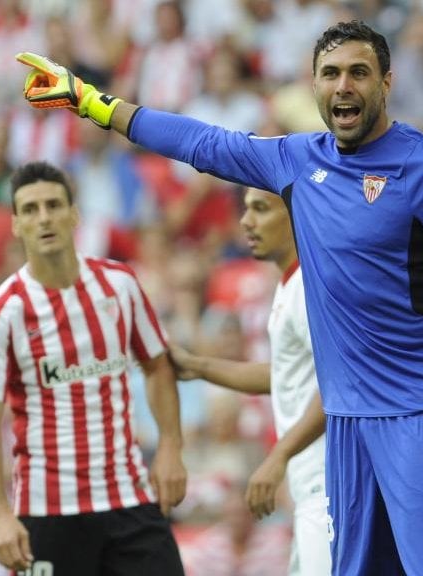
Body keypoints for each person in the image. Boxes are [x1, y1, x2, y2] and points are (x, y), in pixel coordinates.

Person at [17, 20, 423, 575]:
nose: (343, 86)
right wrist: (92, 102)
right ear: (312, 85)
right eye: (330, 74)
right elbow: (200, 143)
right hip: (348, 426)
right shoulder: (297, 160)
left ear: (387, 82)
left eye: (359, 73)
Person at [0, 161, 187, 575]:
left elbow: (158, 366)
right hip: (48, 508)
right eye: (30, 209)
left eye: (53, 205)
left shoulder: (119, 284)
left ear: (74, 214)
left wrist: (171, 445)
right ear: (15, 224)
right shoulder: (4, 310)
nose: (44, 217)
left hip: (129, 498)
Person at [170, 187, 330, 575]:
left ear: (295, 218)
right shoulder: (290, 286)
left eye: (260, 209)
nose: (246, 222)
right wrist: (197, 366)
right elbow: (285, 377)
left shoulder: (312, 289)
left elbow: (337, 386)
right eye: (245, 210)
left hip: (328, 483)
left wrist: (276, 457)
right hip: (310, 484)